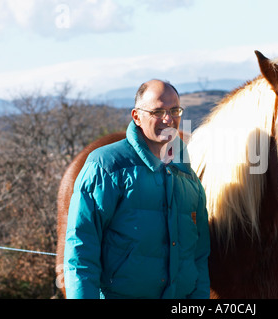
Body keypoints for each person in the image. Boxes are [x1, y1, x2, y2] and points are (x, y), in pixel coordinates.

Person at [63, 79, 210, 299]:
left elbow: (198, 257)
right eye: (157, 111)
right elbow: (80, 250)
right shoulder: (106, 167)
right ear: (136, 116)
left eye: (174, 110)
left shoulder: (189, 179)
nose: (168, 119)